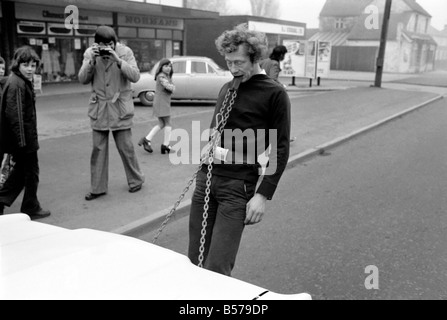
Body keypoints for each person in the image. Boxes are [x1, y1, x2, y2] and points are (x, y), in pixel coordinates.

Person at [188, 24, 291, 276]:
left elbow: (280, 147)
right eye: (228, 62)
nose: (233, 69)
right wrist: (208, 147)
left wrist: (262, 196)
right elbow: (215, 132)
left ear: (255, 57)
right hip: (206, 182)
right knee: (194, 262)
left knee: (217, 267)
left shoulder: (274, 93)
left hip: (238, 187)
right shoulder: (227, 88)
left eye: (239, 62)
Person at [78, 26, 145, 201]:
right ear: (96, 43)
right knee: (98, 150)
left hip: (120, 108)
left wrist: (119, 61)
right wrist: (90, 61)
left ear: (115, 41)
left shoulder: (125, 52)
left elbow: (135, 76)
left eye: (110, 44)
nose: (107, 48)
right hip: (99, 108)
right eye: (103, 45)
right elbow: (82, 79)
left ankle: (136, 180)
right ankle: (97, 188)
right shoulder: (90, 53)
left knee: (126, 148)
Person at [0, 46, 51, 219]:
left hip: (23, 138)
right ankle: (30, 206)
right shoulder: (18, 84)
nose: (30, 69)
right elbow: (16, 116)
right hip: (23, 140)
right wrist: (22, 144)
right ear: (18, 64)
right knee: (29, 174)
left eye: (33, 65)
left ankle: (23, 204)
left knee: (22, 175)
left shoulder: (18, 80)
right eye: (26, 65)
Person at [138, 58, 175, 154]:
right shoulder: (161, 76)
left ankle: (147, 139)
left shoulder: (164, 76)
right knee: (168, 123)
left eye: (170, 66)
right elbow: (169, 87)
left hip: (162, 102)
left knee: (162, 124)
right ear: (161, 67)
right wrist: (173, 87)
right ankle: (165, 145)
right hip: (161, 102)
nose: (168, 68)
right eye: (166, 66)